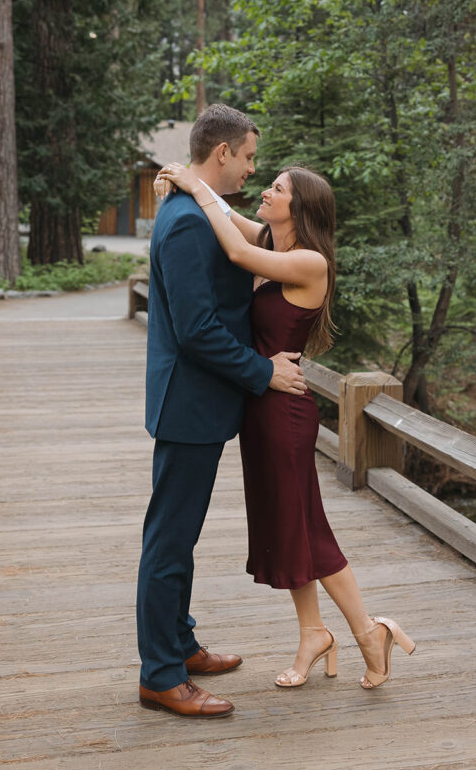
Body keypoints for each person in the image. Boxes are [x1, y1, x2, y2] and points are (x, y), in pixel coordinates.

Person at [157, 158, 416, 693]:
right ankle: (313, 632)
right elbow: (225, 215)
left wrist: (191, 183)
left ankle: (370, 632)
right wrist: (190, 180)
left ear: (299, 208)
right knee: (286, 527)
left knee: (307, 528)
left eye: (276, 188)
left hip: (286, 414)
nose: (265, 190)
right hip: (260, 405)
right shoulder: (276, 245)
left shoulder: (309, 262)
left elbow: (233, 248)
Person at [136, 104, 307, 720]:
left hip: (202, 404)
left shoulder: (197, 206)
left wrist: (191, 181)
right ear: (224, 152)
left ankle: (179, 646)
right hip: (189, 402)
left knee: (181, 538)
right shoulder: (184, 223)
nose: (253, 168)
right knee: (169, 541)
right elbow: (196, 332)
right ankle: (160, 674)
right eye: (250, 156)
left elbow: (246, 242)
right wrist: (264, 373)